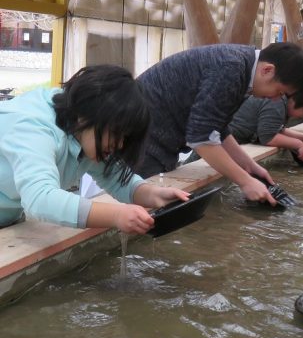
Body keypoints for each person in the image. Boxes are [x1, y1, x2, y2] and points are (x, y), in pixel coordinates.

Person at [0, 66, 188, 233]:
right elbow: (40, 199)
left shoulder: (83, 128)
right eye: (116, 133)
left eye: (125, 137)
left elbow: (118, 179)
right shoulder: (33, 128)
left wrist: (155, 195)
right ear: (86, 115)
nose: (120, 144)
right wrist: (116, 216)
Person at [137, 42, 303, 204]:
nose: (276, 100)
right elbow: (201, 139)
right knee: (146, 207)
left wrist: (249, 165)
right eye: (280, 92)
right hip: (144, 133)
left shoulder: (241, 67)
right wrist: (245, 181)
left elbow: (217, 128)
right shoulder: (232, 69)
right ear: (267, 70)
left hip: (155, 131)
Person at [227, 86, 303, 162]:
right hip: (230, 139)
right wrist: (298, 144)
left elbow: (277, 129)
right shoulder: (276, 102)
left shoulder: (281, 100)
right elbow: (268, 137)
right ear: (294, 100)